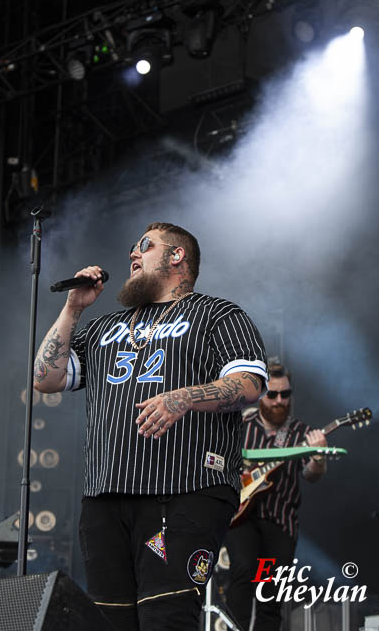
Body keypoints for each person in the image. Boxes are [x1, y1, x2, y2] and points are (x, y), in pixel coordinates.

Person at [33, 222, 268, 631]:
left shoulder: (217, 314)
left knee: (166, 617)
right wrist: (73, 308)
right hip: (105, 495)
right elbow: (46, 378)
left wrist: (182, 397)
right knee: (109, 620)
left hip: (185, 490)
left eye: (145, 245)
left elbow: (250, 384)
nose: (132, 254)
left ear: (177, 256)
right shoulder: (105, 327)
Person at [224, 359, 327, 631]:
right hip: (240, 516)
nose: (280, 400)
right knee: (243, 570)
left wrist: (318, 459)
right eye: (272, 394)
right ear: (260, 394)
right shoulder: (239, 425)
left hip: (280, 520)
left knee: (271, 590)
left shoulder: (301, 433)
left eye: (286, 394)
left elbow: (311, 475)